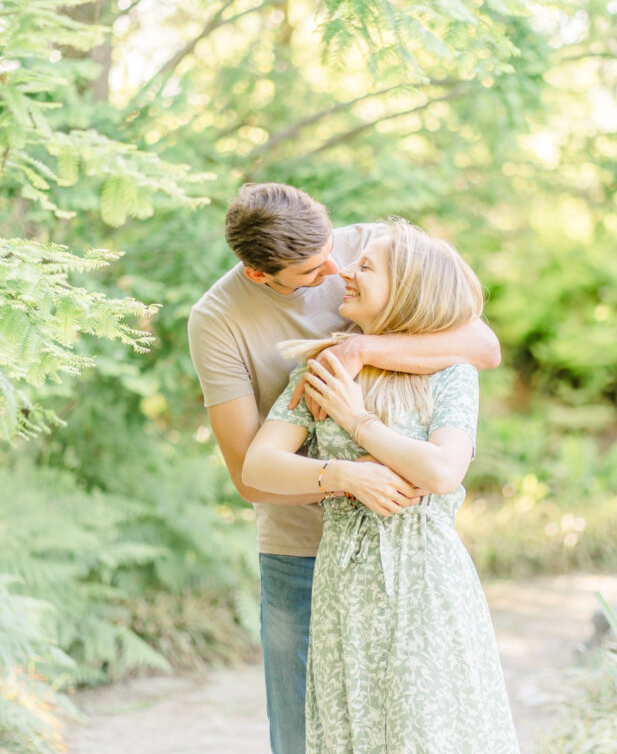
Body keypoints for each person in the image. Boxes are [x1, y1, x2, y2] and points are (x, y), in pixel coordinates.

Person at [188, 184, 501, 754]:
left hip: (418, 570)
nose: (337, 271)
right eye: (313, 269)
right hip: (307, 554)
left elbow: (479, 347)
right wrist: (347, 477)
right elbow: (250, 474)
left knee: (427, 729)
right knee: (312, 734)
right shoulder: (219, 321)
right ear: (262, 276)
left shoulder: (377, 253)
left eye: (339, 251)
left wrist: (357, 356)